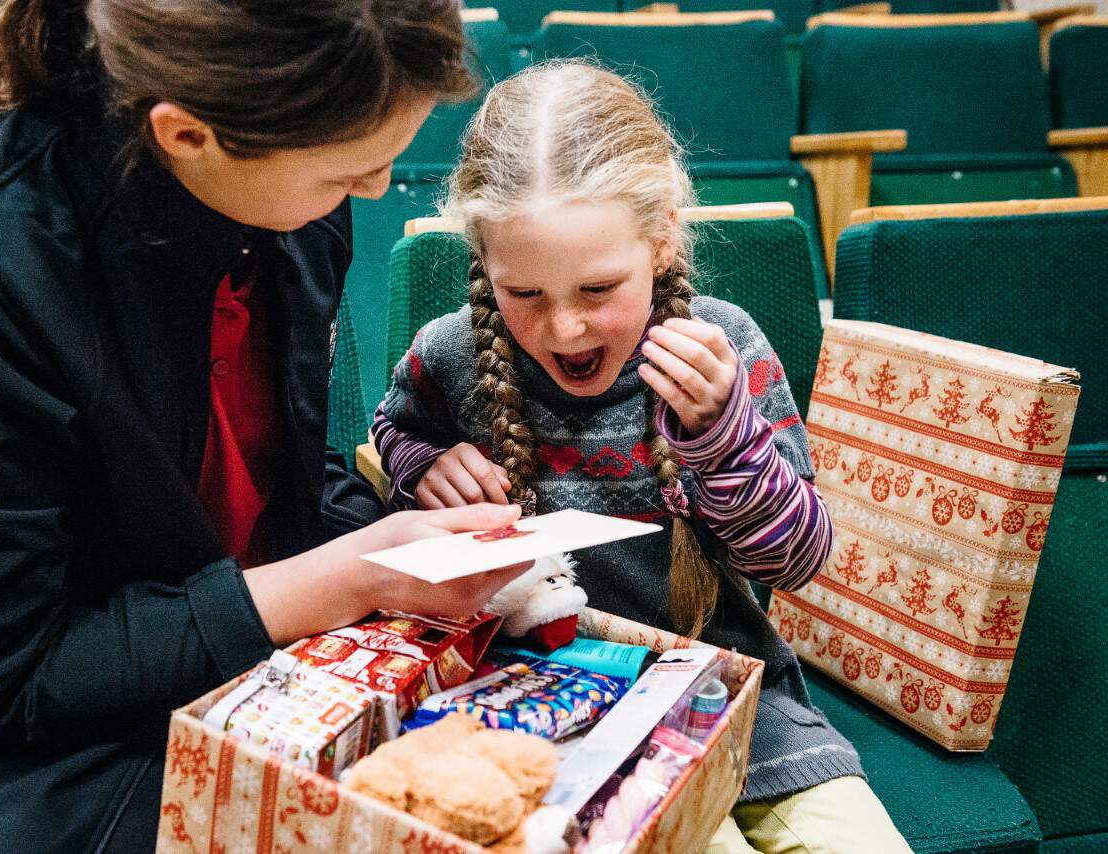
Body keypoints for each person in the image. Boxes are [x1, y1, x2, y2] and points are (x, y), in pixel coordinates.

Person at [0, 2, 528, 850]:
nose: (376, 189)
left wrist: (415, 545)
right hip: (1, 744)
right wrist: (350, 577)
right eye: (346, 173)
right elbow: (16, 682)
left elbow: (270, 482)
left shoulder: (280, 198)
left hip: (229, 644)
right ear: (187, 134)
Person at [373, 61, 913, 853]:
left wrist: (724, 436)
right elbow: (393, 435)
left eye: (597, 290)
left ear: (661, 238)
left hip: (739, 702)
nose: (564, 329)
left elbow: (798, 560)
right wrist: (421, 465)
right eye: (525, 294)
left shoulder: (725, 347)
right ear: (483, 259)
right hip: (549, 711)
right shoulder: (449, 355)